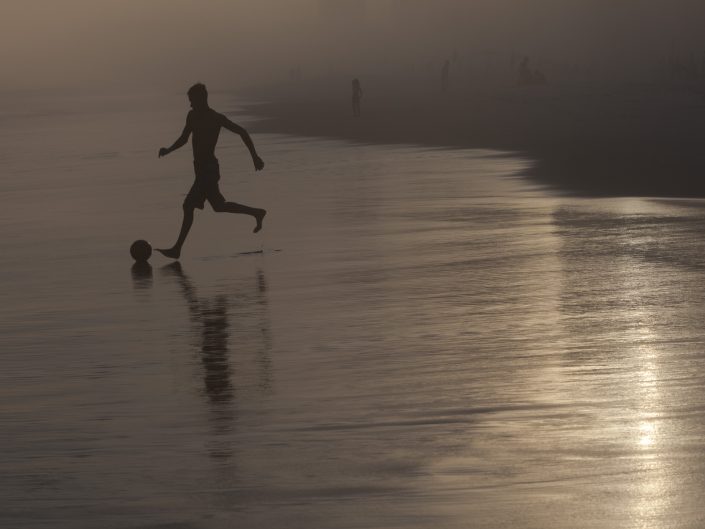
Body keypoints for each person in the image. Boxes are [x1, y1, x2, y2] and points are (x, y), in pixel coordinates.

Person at [156, 83, 266, 259]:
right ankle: (257, 212)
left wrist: (255, 156)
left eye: (192, 101)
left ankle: (177, 248)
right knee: (219, 206)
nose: (190, 105)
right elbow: (184, 139)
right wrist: (168, 149)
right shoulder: (191, 116)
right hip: (200, 170)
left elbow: (242, 132)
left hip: (209, 170)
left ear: (202, 99)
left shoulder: (215, 118)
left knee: (188, 205)